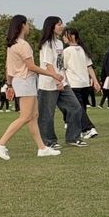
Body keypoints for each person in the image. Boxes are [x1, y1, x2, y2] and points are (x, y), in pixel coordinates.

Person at [0, 15, 62, 160]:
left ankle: (42, 148)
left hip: (21, 81)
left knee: (33, 116)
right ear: (22, 25)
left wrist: (9, 85)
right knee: (25, 116)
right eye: (27, 24)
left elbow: (8, 68)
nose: (29, 26)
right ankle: (1, 143)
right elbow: (31, 67)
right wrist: (52, 74)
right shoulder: (23, 45)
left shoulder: (12, 45)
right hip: (25, 81)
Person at [36, 17, 86, 149]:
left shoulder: (59, 43)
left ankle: (73, 137)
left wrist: (63, 81)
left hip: (61, 82)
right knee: (47, 115)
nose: (62, 26)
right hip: (48, 84)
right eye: (59, 24)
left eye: (61, 24)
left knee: (75, 107)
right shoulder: (47, 44)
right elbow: (48, 64)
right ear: (51, 26)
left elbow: (59, 64)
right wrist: (56, 79)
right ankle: (49, 141)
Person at [61, 27, 99, 139]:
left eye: (65, 35)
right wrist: (95, 81)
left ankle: (89, 128)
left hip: (74, 84)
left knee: (78, 108)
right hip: (84, 83)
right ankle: (82, 130)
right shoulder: (82, 49)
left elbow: (63, 68)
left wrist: (95, 81)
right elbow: (89, 67)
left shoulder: (67, 51)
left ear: (73, 36)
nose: (63, 38)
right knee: (81, 107)